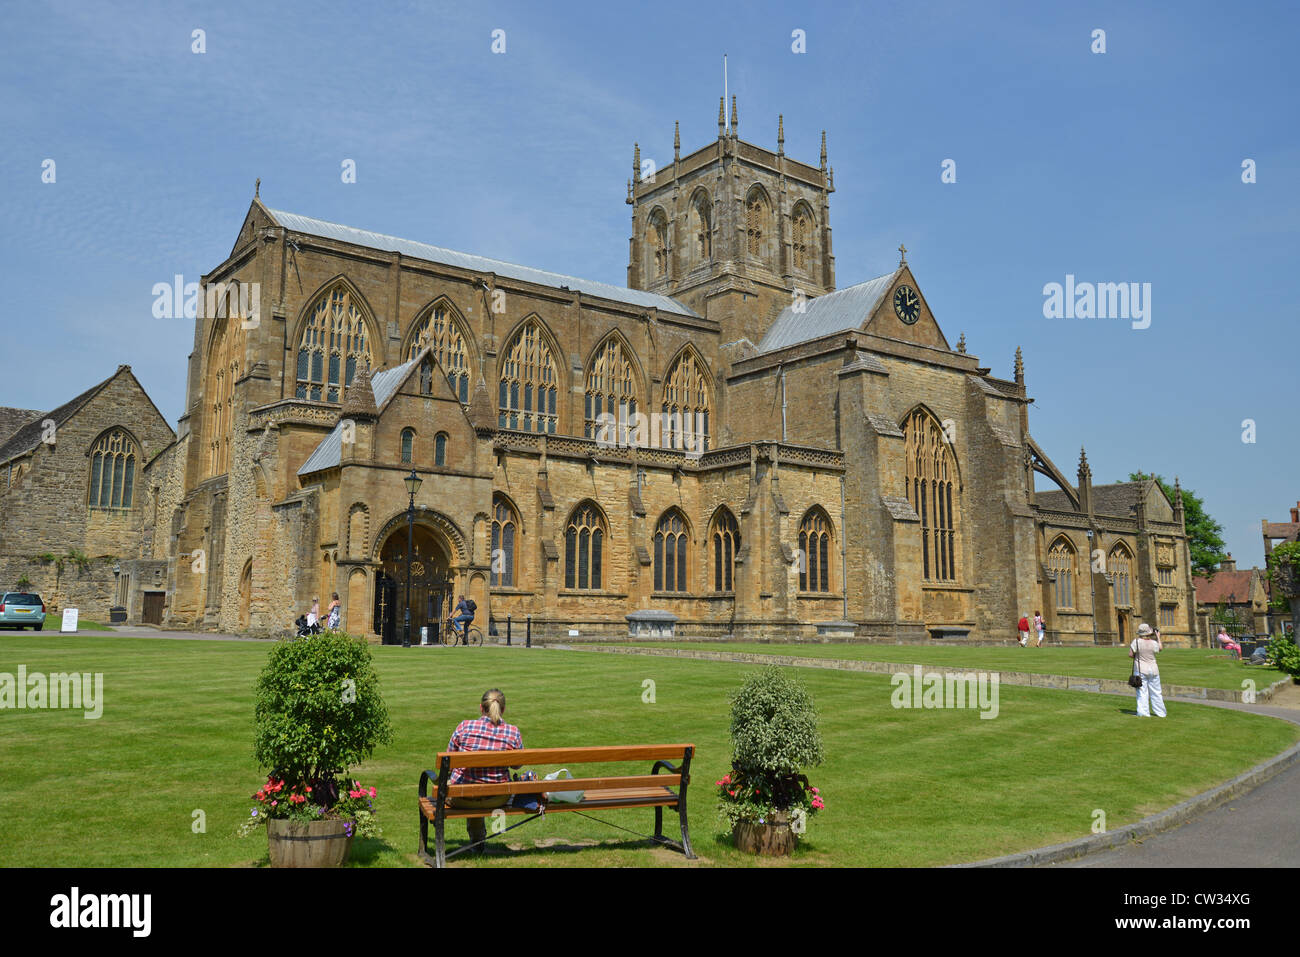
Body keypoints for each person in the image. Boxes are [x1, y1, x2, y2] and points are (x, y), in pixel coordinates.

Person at [446, 689, 523, 851]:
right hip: (497, 797)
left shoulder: (464, 727)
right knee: (479, 788)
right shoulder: (512, 732)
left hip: (462, 797)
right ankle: (480, 840)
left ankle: (477, 840)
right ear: (503, 709)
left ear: (481, 708)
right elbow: (517, 765)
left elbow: (449, 761)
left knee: (468, 786)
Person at [1129, 623, 1166, 718]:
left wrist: (1137, 656)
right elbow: (1160, 648)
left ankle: (1144, 713)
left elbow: (1130, 654)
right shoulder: (1153, 643)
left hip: (1141, 669)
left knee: (1142, 692)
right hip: (1153, 669)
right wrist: (1158, 637)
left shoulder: (1136, 642)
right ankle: (1161, 713)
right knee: (1157, 692)